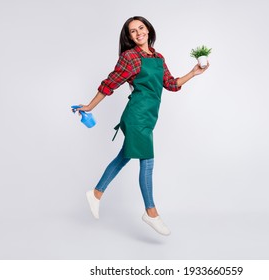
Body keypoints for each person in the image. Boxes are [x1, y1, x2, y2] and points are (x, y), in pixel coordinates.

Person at [75, 16, 209, 236]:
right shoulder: (130, 57)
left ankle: (96, 193)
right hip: (136, 116)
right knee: (147, 161)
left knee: (125, 156)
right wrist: (89, 106)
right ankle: (151, 212)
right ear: (128, 37)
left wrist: (193, 73)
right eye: (132, 31)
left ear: (148, 29)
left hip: (148, 116)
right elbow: (110, 84)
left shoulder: (158, 57)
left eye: (141, 28)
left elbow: (171, 84)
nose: (138, 33)